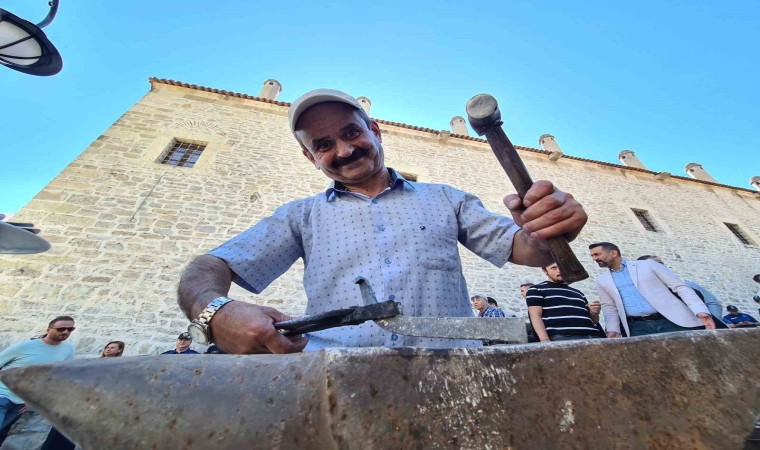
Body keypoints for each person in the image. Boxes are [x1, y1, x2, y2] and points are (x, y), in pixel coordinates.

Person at [177, 88, 588, 354]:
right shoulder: (300, 217)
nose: (344, 151)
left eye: (351, 133)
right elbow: (209, 267)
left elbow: (525, 249)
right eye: (323, 145)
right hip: (334, 383)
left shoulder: (446, 198)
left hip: (455, 375)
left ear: (374, 130)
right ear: (310, 157)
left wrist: (545, 230)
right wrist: (214, 312)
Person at [589, 242, 715, 338]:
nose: (594, 259)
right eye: (592, 256)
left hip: (671, 321)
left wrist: (700, 311)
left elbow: (680, 287)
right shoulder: (601, 280)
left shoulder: (648, 265)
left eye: (597, 254)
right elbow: (609, 307)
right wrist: (613, 330)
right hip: (637, 328)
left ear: (613, 253)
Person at [0, 316, 76, 446]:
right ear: (48, 329)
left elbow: (59, 377)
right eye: (61, 329)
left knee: (3, 432)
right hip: (3, 395)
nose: (65, 332)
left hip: (23, 402)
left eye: (70, 329)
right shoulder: (24, 347)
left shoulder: (68, 350)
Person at [525, 262, 604, 342]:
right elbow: (535, 316)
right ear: (545, 271)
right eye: (554, 268)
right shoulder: (536, 290)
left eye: (561, 267)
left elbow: (593, 321)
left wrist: (594, 313)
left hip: (593, 336)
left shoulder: (578, 293)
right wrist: (545, 341)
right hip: (562, 337)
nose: (559, 270)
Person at [636, 255, 723, 317]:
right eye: (656, 264)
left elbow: (712, 303)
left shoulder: (688, 285)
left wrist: (713, 323)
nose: (660, 266)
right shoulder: (642, 291)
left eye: (661, 263)